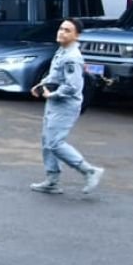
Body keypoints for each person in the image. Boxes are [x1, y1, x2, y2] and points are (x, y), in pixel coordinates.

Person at [30, 18, 104, 195]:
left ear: (76, 35)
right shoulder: (62, 51)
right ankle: (52, 180)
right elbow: (55, 76)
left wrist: (53, 94)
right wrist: (41, 85)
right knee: (47, 141)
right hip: (54, 103)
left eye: (67, 30)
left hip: (65, 105)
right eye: (61, 28)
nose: (61, 32)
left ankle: (89, 170)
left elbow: (73, 87)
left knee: (55, 143)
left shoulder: (72, 58)